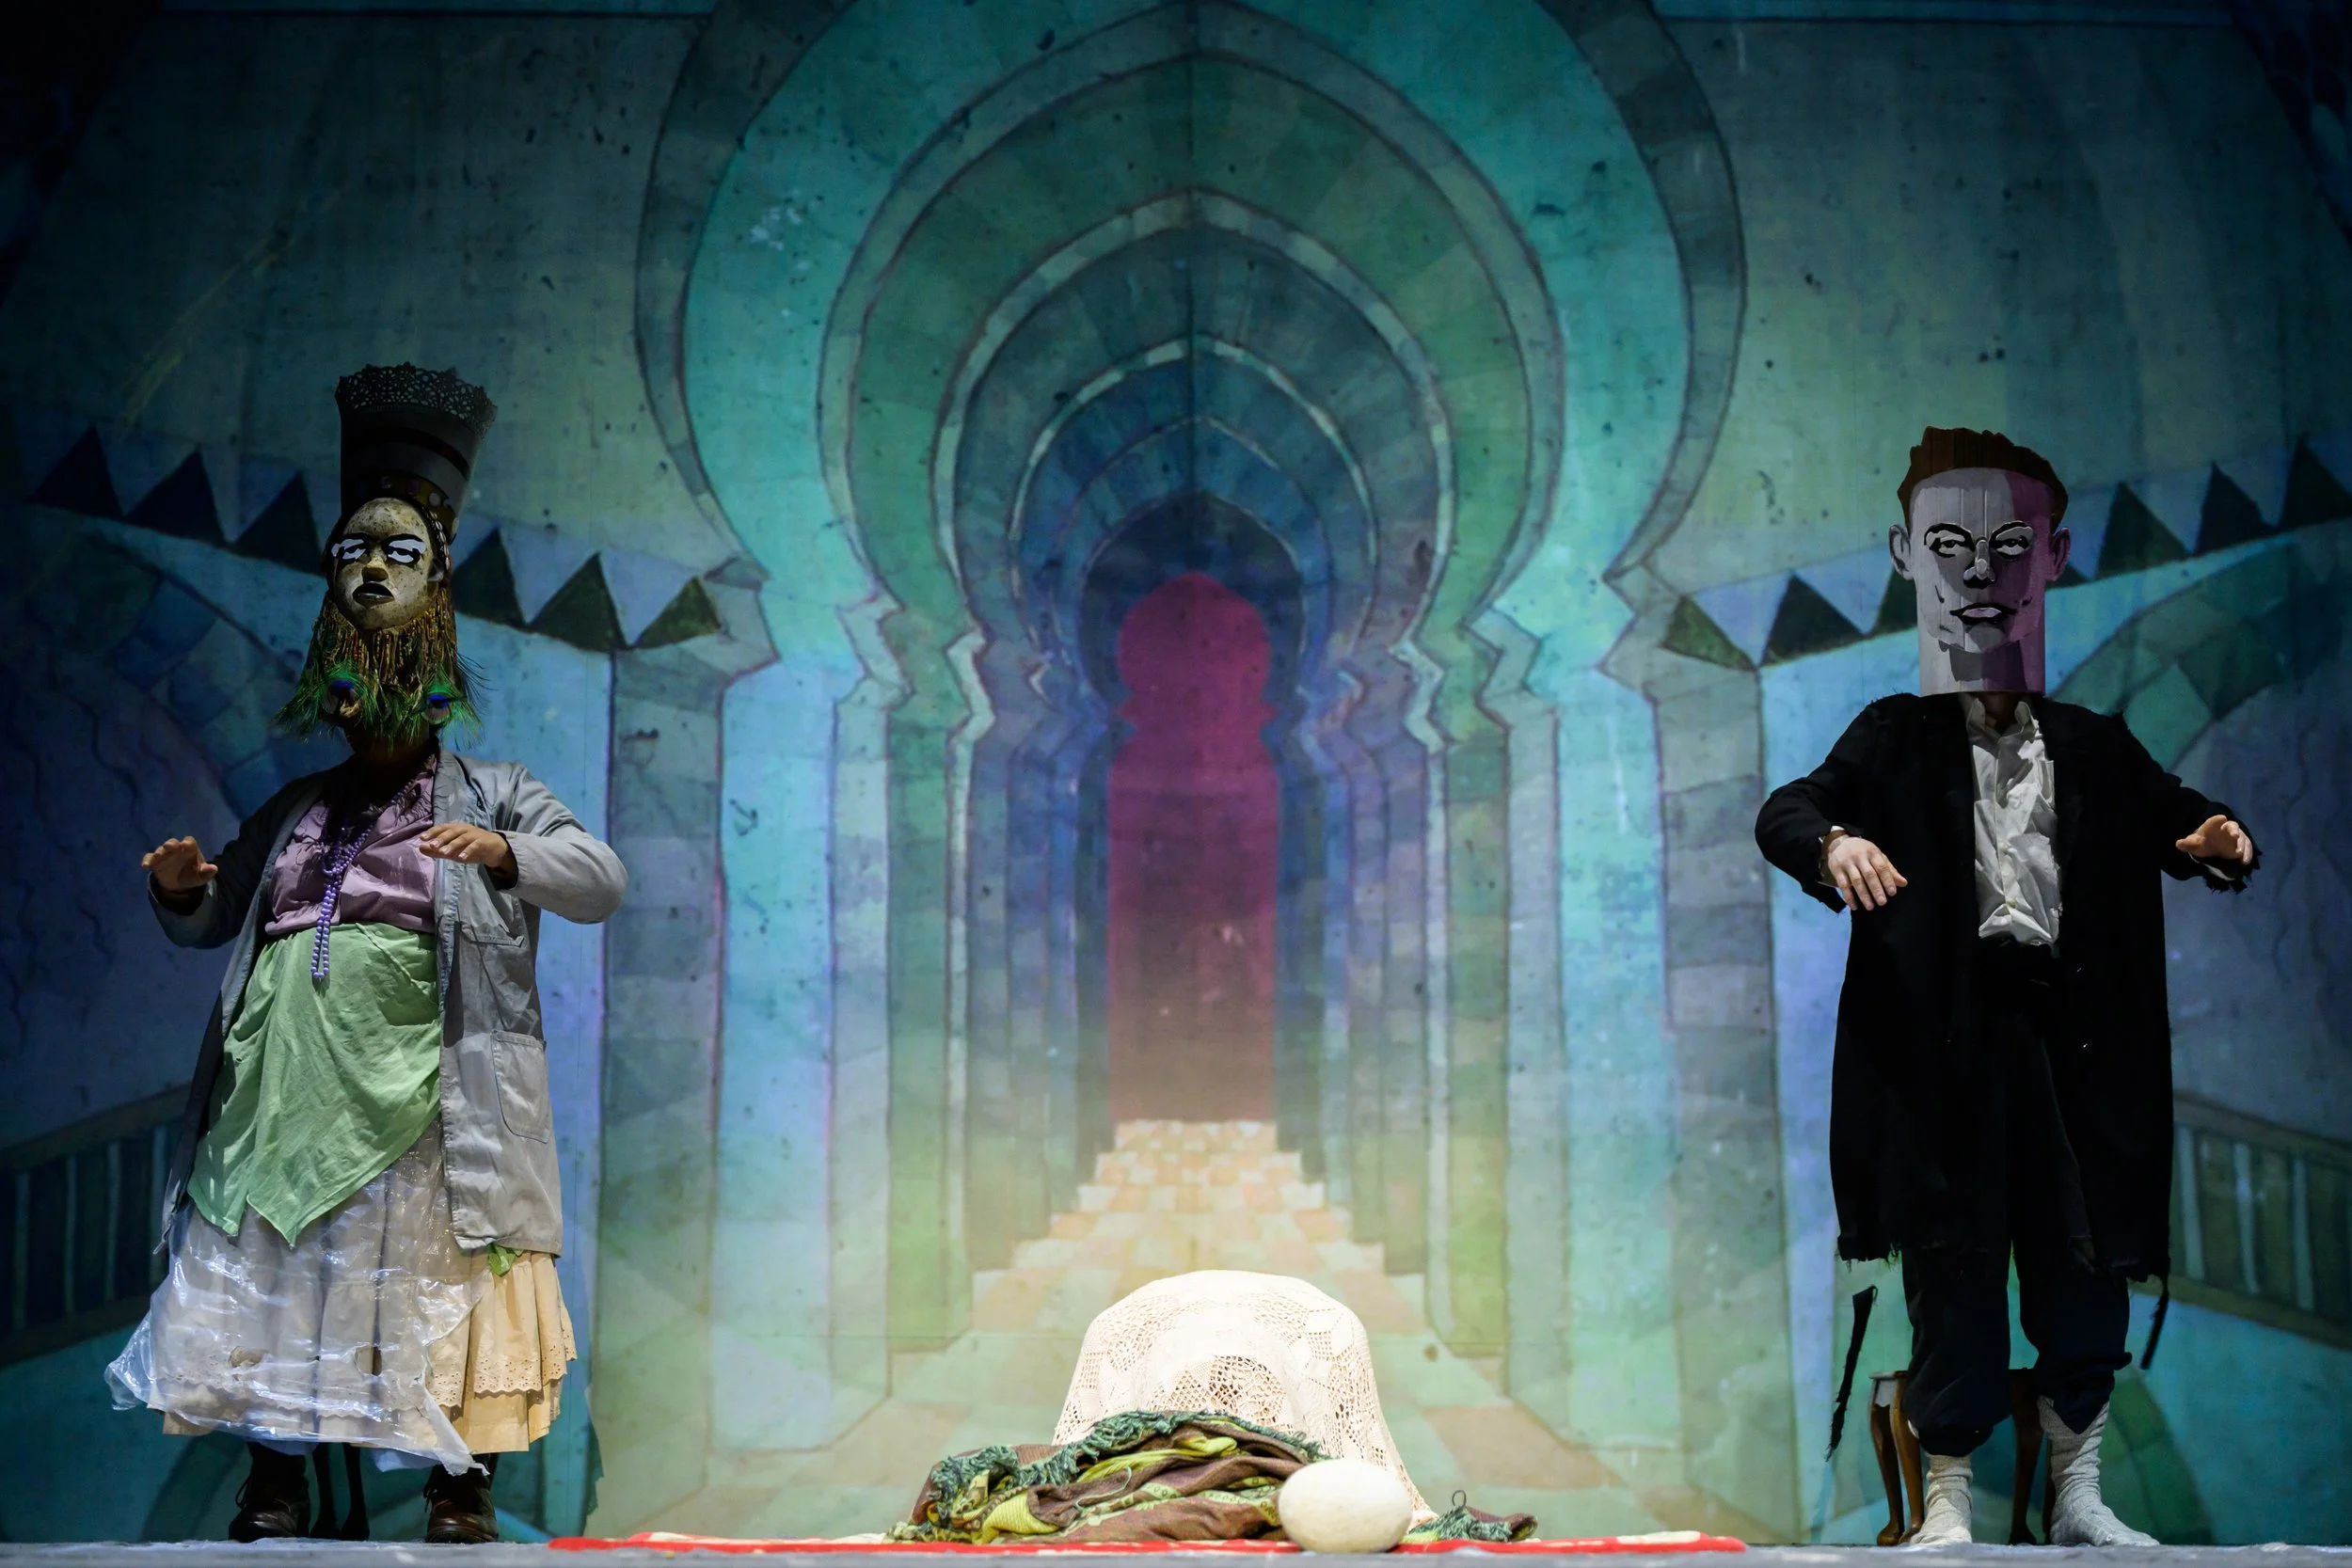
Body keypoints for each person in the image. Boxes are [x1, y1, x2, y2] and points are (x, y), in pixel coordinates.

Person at [106, 364, 627, 1544]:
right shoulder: (296, 810)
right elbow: (219, 913)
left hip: (428, 1097)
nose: (372, 571)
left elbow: (598, 877)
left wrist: (503, 848)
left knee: (432, 1270)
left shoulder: (496, 789)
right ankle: (275, 1476)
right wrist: (183, 890)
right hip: (286, 1095)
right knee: (284, 1272)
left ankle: (458, 1481)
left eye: (397, 554)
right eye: (353, 555)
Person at [1755, 427, 2255, 1547]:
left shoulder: (2092, 742)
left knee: (2084, 1252)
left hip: (2069, 1044)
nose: (1978, 571)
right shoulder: (1893, 736)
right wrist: (1834, 842)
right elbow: (1789, 807)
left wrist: (2214, 836)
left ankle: (2078, 1490)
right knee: (1955, 1256)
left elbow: (2177, 813)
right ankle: (1947, 1496)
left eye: (2007, 545)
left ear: (2053, 556)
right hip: (1949, 1045)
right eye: (1948, 545)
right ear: (1906, 555)